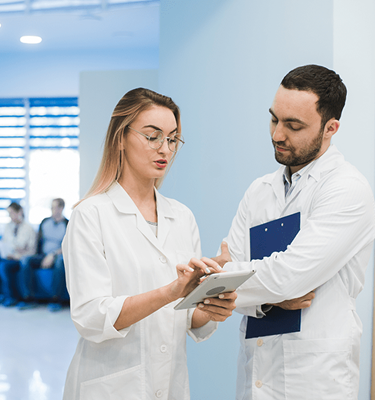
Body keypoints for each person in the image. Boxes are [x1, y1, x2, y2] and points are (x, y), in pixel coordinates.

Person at [212, 65, 375, 399]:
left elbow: (288, 277)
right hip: (256, 371)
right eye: (274, 119)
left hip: (315, 379)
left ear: (331, 128)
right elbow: (227, 288)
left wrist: (229, 277)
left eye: (293, 125)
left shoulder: (347, 190)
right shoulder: (259, 191)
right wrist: (266, 295)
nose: (276, 134)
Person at [62, 88, 238, 399]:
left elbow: (185, 317)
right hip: (110, 386)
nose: (165, 149)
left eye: (172, 139)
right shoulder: (90, 215)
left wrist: (211, 302)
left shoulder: (182, 217)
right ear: (120, 138)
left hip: (169, 384)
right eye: (152, 136)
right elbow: (91, 317)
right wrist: (170, 291)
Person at [18, 198, 69, 311]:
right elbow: (38, 242)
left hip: (58, 255)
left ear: (61, 208)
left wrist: (53, 254)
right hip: (43, 255)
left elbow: (68, 245)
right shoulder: (45, 222)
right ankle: (29, 298)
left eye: (55, 207)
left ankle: (56, 299)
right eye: (51, 207)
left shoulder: (67, 224)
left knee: (60, 262)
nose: (52, 210)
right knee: (25, 260)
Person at [0, 202, 36, 306]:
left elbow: (32, 251)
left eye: (12, 213)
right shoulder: (8, 227)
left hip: (18, 258)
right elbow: (4, 242)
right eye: (9, 214)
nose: (10, 216)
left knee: (3, 266)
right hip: (8, 256)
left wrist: (18, 255)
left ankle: (11, 297)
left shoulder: (28, 228)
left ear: (20, 212)